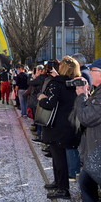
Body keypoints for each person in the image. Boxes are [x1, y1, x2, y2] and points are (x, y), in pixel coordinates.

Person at [38, 56, 82, 200]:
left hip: (57, 126)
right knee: (59, 157)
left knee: (59, 158)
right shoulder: (79, 83)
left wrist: (42, 98)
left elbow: (49, 104)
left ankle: (63, 188)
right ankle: (58, 183)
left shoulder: (56, 83)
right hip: (72, 124)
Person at [75, 58, 101, 202]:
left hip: (98, 151)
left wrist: (81, 96)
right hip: (95, 150)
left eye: (93, 70)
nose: (89, 73)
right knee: (86, 183)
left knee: (86, 184)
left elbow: (86, 117)